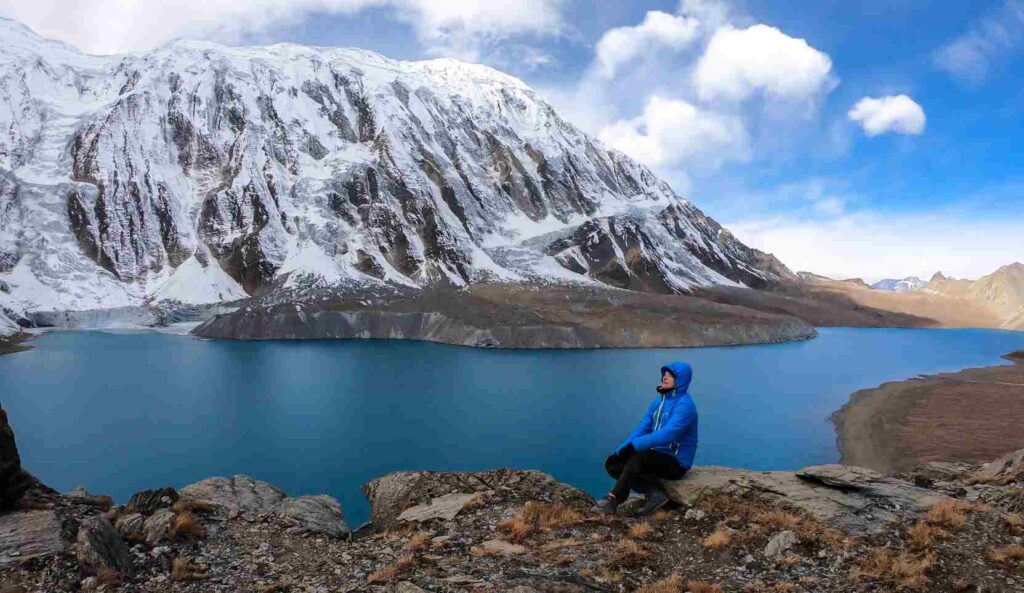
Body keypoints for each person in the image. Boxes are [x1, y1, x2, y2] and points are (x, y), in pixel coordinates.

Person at [592, 361, 699, 516]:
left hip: (676, 462)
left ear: (681, 379)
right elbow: (643, 429)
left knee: (637, 458)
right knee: (613, 463)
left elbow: (667, 435)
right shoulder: (658, 402)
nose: (665, 377)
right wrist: (622, 449)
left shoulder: (685, 406)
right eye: (665, 373)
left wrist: (634, 447)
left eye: (671, 375)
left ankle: (613, 500)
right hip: (656, 456)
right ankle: (654, 493)